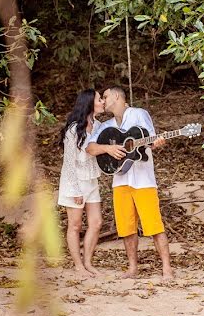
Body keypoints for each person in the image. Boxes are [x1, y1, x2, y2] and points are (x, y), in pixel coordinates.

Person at [86, 87, 173, 280]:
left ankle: (167, 269)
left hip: (143, 180)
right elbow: (91, 148)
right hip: (120, 180)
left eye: (106, 96)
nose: (103, 100)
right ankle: (133, 268)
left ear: (116, 96)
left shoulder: (139, 114)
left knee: (154, 225)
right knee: (126, 227)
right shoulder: (106, 125)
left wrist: (157, 142)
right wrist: (108, 148)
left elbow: (151, 139)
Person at [57, 89, 107, 278]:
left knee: (96, 222)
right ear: (89, 103)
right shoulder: (73, 130)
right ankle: (78, 265)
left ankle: (88, 262)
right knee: (75, 225)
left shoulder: (99, 126)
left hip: (92, 180)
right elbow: (68, 163)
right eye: (99, 99)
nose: (102, 101)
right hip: (74, 181)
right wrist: (76, 190)